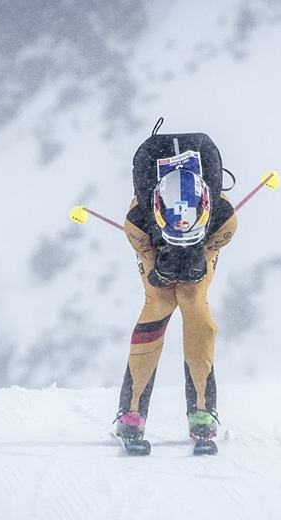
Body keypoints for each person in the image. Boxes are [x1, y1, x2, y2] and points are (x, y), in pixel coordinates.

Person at [114, 119, 237, 454]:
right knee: (160, 303)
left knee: (194, 302)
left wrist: (198, 261)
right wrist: (159, 274)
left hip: (203, 243)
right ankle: (131, 412)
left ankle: (202, 410)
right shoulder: (137, 224)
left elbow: (211, 251)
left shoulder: (224, 220)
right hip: (156, 250)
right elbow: (153, 278)